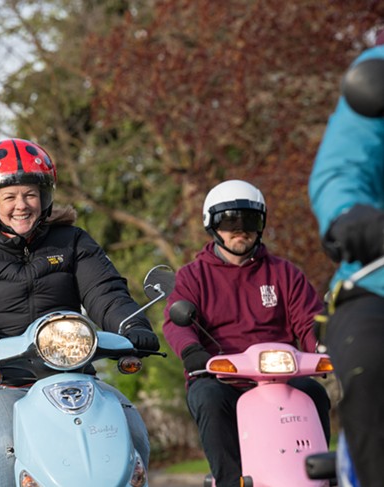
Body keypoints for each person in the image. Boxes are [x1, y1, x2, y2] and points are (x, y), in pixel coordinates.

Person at [0, 138, 160, 487]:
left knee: (133, 436)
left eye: (30, 194)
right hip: (3, 384)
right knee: (7, 450)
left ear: (45, 197)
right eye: (9, 197)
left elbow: (106, 292)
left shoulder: (72, 242)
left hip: (77, 381)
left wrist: (132, 324)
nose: (21, 205)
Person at [162, 179, 331, 487]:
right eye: (229, 220)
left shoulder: (285, 273)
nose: (240, 229)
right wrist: (192, 352)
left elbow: (309, 319)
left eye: (249, 220)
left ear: (261, 224)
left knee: (313, 391)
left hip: (282, 377)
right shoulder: (192, 276)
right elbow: (177, 322)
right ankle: (230, 481)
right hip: (224, 378)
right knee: (207, 397)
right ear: (211, 225)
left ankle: (318, 477)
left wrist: (321, 344)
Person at [308, 40, 384, 487]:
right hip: (376, 280)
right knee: (369, 364)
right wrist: (348, 213)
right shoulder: (377, 71)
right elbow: (341, 168)